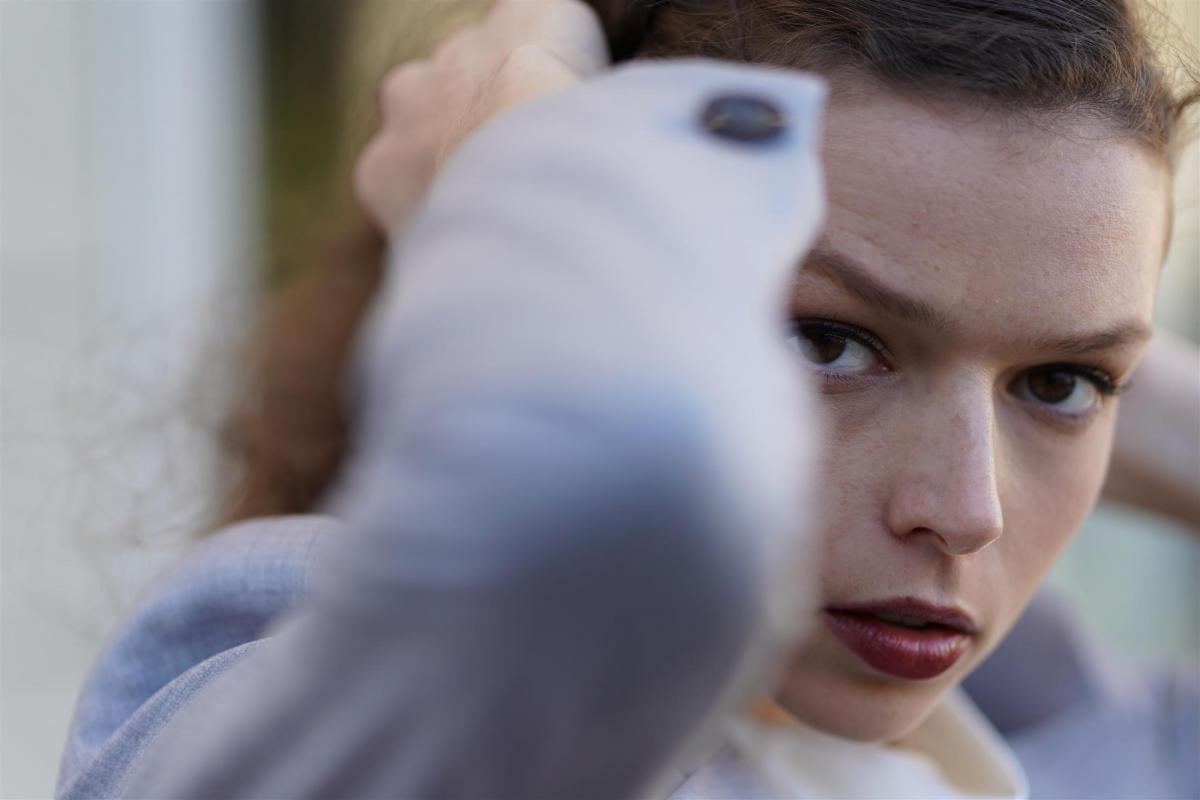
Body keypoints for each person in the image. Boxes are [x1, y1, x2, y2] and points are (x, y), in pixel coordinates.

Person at [57, 0, 1198, 798]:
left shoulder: (1093, 752)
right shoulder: (346, 728)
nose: (966, 509)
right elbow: (628, 483)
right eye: (830, 339)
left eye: (1066, 380)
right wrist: (518, 145)